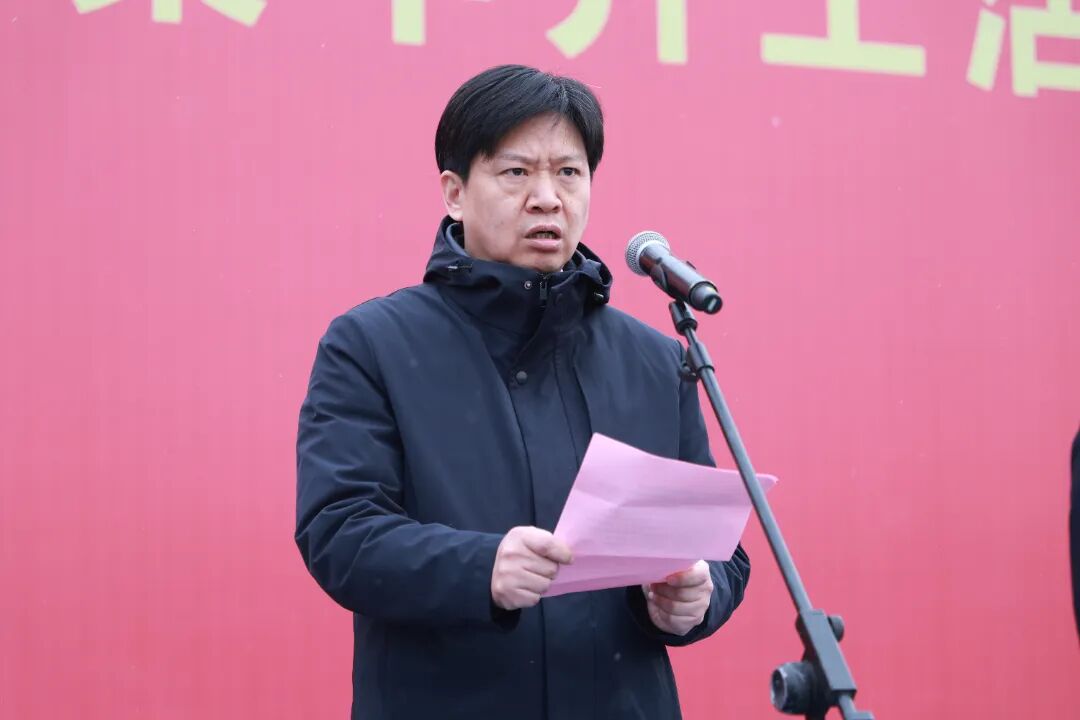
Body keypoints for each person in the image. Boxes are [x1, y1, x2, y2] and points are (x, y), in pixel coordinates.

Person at [295, 64, 751, 720]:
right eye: (516, 172)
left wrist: (697, 596)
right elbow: (340, 531)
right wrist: (480, 566)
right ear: (455, 193)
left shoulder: (656, 361)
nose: (547, 198)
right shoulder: (373, 344)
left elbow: (712, 545)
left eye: (569, 173)